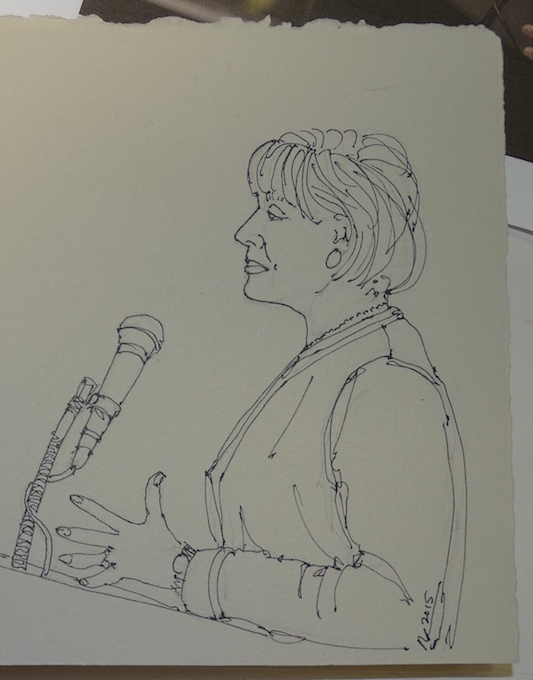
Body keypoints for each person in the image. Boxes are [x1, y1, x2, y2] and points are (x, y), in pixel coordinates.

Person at [56, 130, 467, 651]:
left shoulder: (389, 383)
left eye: (274, 213)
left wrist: (184, 571)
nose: (245, 232)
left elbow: (398, 608)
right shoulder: (329, 360)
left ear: (341, 242)